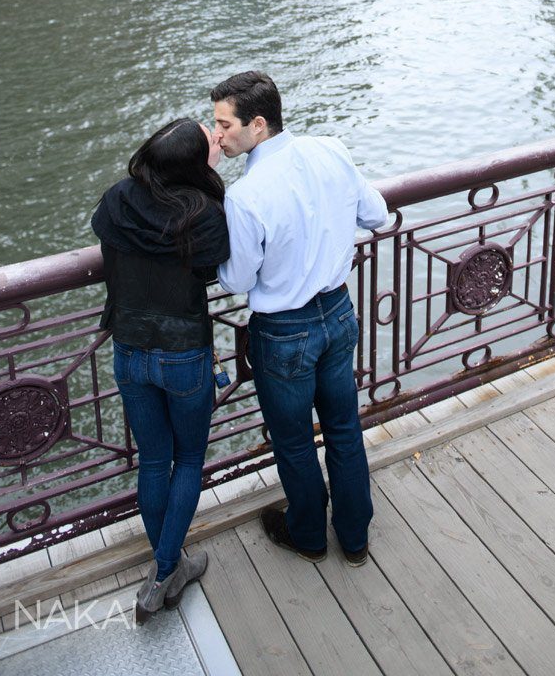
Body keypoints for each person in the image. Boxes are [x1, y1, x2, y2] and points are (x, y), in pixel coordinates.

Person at [210, 71, 388, 566]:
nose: (216, 135)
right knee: (344, 429)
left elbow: (237, 279)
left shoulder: (244, 196)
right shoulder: (331, 149)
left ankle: (308, 534)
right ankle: (355, 539)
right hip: (338, 311)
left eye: (224, 125)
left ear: (258, 125)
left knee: (293, 442)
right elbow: (377, 215)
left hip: (285, 330)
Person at [92, 117, 229, 623]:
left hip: (129, 348)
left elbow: (107, 238)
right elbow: (213, 271)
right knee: (189, 458)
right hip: (183, 352)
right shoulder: (206, 214)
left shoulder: (117, 200)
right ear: (193, 165)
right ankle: (168, 569)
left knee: (153, 461)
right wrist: (209, 176)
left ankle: (167, 568)